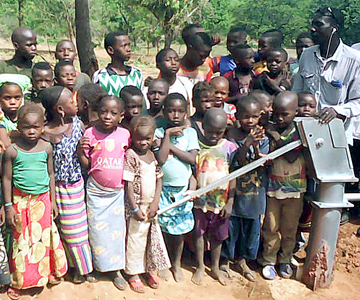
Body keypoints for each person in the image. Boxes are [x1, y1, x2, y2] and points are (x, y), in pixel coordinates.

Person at [3, 103, 68, 299]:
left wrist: (53, 201)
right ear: (18, 128)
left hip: (42, 201)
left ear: (43, 126)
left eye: (36, 127)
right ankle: (19, 281)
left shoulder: (47, 147)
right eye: (26, 127)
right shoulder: (12, 151)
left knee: (43, 240)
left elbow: (50, 174)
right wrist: (8, 207)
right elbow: (6, 179)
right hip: (20, 202)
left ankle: (44, 275)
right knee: (21, 241)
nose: (31, 131)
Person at [40, 86, 93, 284]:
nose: (76, 103)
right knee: (60, 229)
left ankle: (83, 269)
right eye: (72, 101)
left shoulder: (78, 125)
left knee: (76, 231)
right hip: (54, 187)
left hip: (76, 186)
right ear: (60, 110)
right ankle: (67, 266)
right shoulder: (43, 133)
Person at [77, 95, 130, 291]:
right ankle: (97, 267)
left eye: (113, 113)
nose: (107, 116)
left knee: (116, 232)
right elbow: (86, 163)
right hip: (96, 192)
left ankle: (115, 270)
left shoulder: (125, 134)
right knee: (97, 231)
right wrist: (80, 151)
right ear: (97, 113)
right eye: (103, 112)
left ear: (121, 116)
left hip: (116, 192)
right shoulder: (90, 133)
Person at [259, 91, 306, 280]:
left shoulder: (300, 130)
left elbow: (292, 155)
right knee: (270, 226)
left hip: (295, 191)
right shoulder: (269, 129)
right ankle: (269, 260)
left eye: (284, 114)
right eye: (276, 113)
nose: (279, 118)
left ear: (295, 112)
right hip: (273, 189)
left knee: (289, 227)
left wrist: (275, 135)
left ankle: (285, 259)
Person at [221, 96, 268, 282]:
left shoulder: (262, 137)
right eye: (246, 116)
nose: (250, 121)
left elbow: (261, 164)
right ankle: (225, 260)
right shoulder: (231, 137)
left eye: (254, 117)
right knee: (231, 228)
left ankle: (242, 261)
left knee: (250, 230)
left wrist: (255, 146)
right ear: (237, 115)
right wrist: (246, 144)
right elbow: (237, 164)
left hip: (255, 194)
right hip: (235, 193)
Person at [154, 93, 199, 282]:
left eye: (180, 111)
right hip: (163, 189)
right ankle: (163, 263)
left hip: (182, 190)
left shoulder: (190, 133)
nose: (175, 115)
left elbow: (192, 159)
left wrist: (172, 146)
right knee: (163, 229)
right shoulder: (158, 132)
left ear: (186, 112)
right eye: (171, 111)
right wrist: (168, 136)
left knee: (179, 231)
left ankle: (177, 263)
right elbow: (161, 159)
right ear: (164, 111)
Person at [123, 115, 170, 293]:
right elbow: (128, 184)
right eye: (139, 138)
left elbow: (159, 180)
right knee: (135, 241)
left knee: (151, 240)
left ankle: (149, 270)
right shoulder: (131, 155)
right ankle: (133, 273)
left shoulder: (152, 155)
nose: (143, 142)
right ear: (132, 137)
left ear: (153, 138)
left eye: (147, 138)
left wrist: (155, 203)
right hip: (136, 208)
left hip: (151, 207)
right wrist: (134, 207)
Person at [192, 108, 237, 286]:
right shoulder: (197, 146)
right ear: (203, 127)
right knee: (199, 234)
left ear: (224, 130)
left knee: (218, 236)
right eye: (210, 131)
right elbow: (193, 172)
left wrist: (230, 202)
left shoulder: (229, 147)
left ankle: (215, 267)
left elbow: (234, 175)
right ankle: (200, 266)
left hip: (220, 202)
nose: (213, 135)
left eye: (218, 132)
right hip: (200, 202)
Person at [92, 31, 144, 103]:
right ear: (111, 50)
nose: (128, 49)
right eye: (124, 46)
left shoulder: (136, 74)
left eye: (129, 45)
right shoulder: (102, 76)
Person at [154, 48, 193, 112]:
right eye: (168, 60)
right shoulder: (152, 88)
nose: (173, 63)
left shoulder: (186, 84)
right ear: (158, 65)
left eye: (176, 60)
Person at [0, 81, 24, 147]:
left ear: (22, 98)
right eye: (7, 98)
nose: (13, 102)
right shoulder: (1, 117)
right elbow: (6, 144)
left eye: (17, 98)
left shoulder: (26, 115)